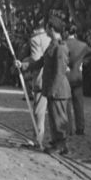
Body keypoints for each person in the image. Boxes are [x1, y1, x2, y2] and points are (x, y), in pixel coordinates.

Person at [18, 16, 71, 155]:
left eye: (47, 27)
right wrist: (23, 65)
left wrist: (52, 90)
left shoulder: (60, 47)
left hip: (58, 89)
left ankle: (60, 145)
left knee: (59, 118)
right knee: (54, 117)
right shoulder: (52, 45)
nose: (45, 30)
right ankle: (58, 143)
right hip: (52, 88)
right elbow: (40, 62)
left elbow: (60, 72)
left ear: (51, 29)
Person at [65, 25, 91, 136]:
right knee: (79, 104)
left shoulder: (63, 44)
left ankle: (69, 129)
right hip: (78, 77)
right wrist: (84, 62)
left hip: (66, 77)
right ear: (75, 33)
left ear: (66, 32)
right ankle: (80, 128)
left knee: (67, 104)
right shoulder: (83, 45)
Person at [23, 18, 51, 149]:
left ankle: (38, 140)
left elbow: (36, 61)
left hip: (41, 78)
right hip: (55, 79)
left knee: (39, 111)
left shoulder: (35, 40)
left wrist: (24, 64)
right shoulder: (52, 38)